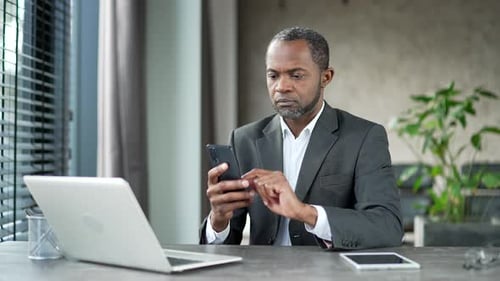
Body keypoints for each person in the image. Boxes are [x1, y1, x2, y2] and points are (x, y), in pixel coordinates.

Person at [200, 26, 403, 249]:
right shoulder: (244, 139)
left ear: (326, 77)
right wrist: (218, 221)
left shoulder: (363, 137)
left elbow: (386, 227)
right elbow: (225, 245)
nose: (282, 87)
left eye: (296, 75)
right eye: (273, 75)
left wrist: (305, 213)